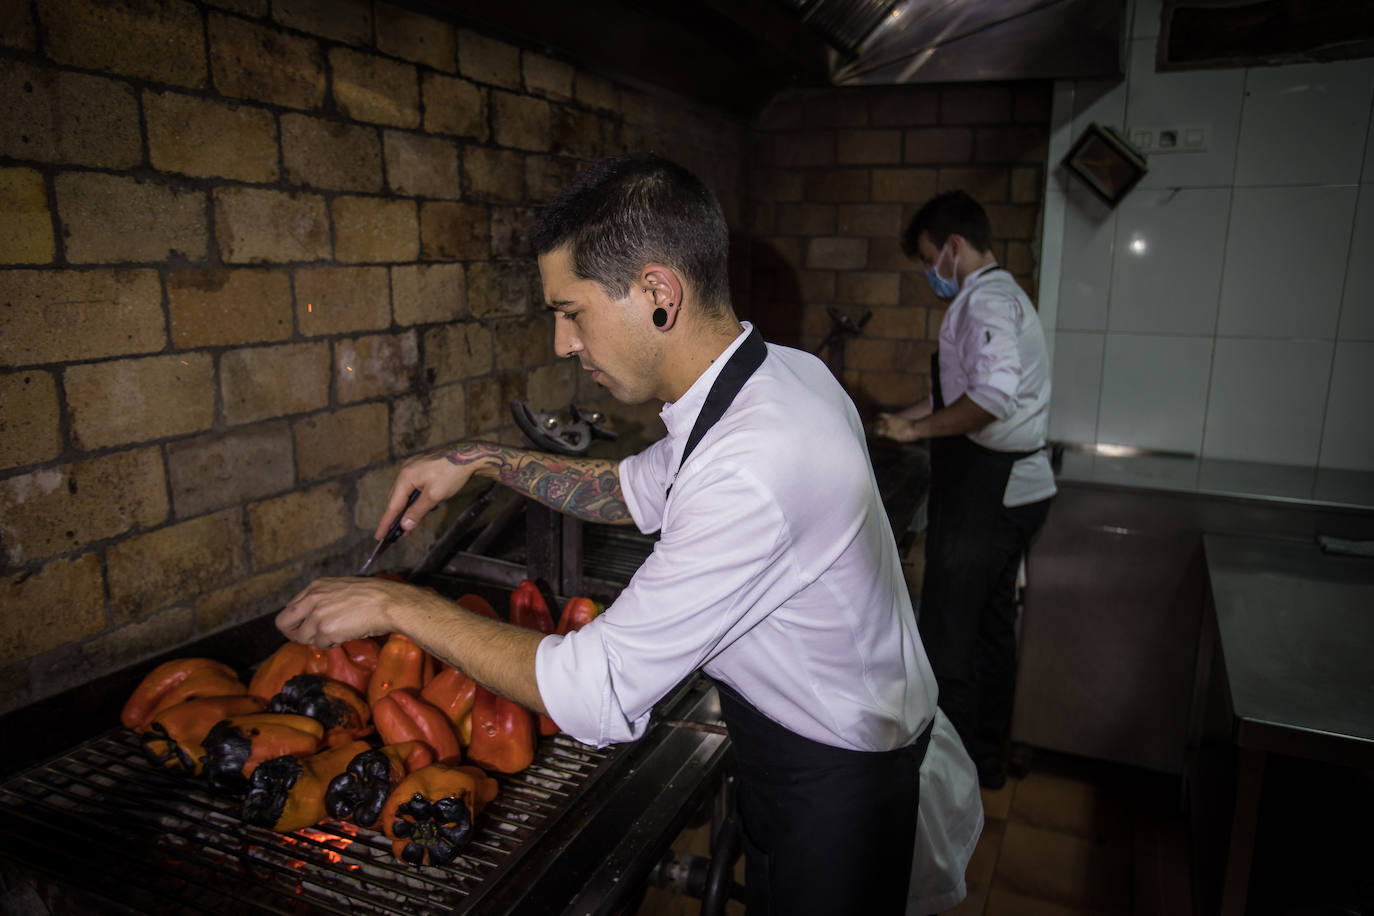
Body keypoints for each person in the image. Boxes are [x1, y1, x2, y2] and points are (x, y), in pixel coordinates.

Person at [278, 153, 939, 914]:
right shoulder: (777, 376)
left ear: (658, 293)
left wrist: (397, 607)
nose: (562, 342)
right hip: (811, 739)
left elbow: (595, 691)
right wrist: (482, 459)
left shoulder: (756, 461)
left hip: (832, 781)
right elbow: (625, 489)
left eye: (570, 311)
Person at [873, 190, 1055, 790]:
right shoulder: (996, 296)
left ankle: (947, 777)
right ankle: (985, 759)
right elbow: (961, 394)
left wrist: (917, 429)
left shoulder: (987, 302)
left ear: (953, 246)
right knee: (991, 626)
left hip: (992, 494)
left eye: (930, 259)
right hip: (1010, 490)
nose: (931, 274)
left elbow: (990, 401)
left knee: (952, 631)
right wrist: (904, 417)